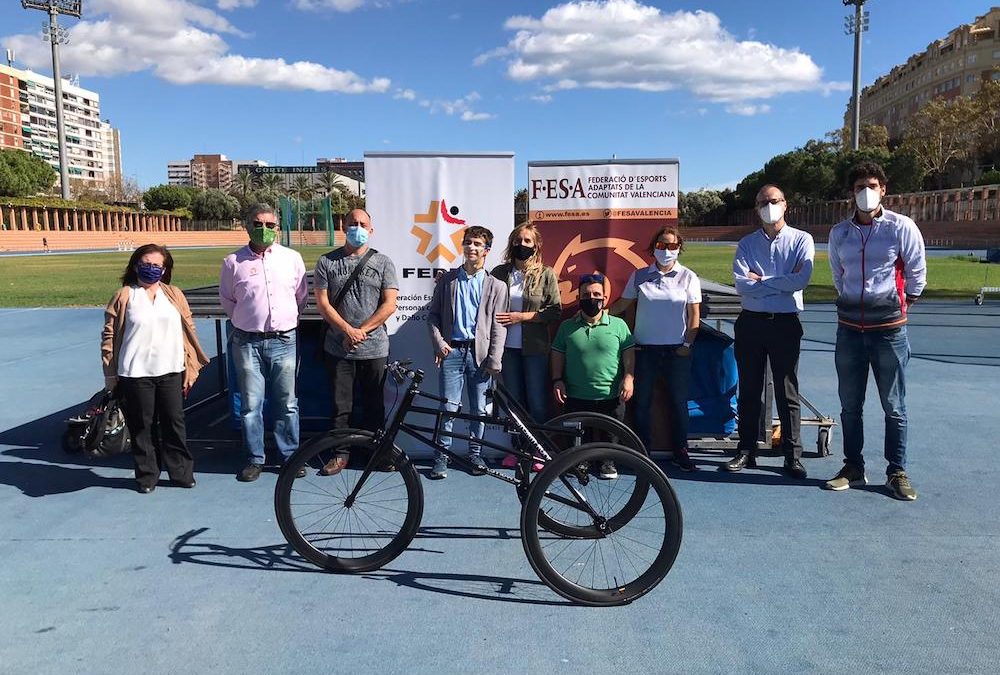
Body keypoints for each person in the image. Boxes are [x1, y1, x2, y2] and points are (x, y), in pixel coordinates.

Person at [825, 162, 926, 500]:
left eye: (871, 185)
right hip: (849, 331)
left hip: (889, 332)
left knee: (894, 406)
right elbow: (839, 275)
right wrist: (854, 302)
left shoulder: (901, 227)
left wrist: (899, 305)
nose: (865, 192)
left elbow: (916, 273)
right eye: (858, 186)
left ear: (883, 189)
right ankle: (853, 467)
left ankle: (896, 471)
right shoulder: (840, 233)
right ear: (851, 193)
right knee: (849, 405)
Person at [102, 244, 209, 493]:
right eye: (145, 263)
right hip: (135, 371)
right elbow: (109, 337)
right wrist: (109, 373)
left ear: (165, 269)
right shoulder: (124, 295)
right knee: (142, 426)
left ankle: (181, 472)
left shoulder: (173, 294)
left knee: (174, 422)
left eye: (156, 265)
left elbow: (188, 330)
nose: (150, 268)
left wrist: (190, 367)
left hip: (171, 370)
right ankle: (147, 475)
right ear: (135, 265)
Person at [725, 184, 815, 479]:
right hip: (751, 321)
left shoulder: (802, 240)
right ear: (756, 208)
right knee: (749, 389)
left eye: (774, 200)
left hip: (785, 322)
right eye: (763, 202)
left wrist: (762, 280)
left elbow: (801, 280)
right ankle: (746, 449)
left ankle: (792, 455)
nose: (769, 205)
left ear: (785, 204)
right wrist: (779, 281)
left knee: (787, 390)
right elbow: (741, 284)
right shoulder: (747, 244)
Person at [219, 204, 308, 482]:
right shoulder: (232, 262)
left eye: (270, 225)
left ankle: (289, 456)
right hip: (247, 342)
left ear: (278, 228)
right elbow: (227, 300)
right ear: (247, 226)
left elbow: (300, 297)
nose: (264, 229)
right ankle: (255, 458)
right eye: (258, 223)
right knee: (250, 405)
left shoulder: (292, 258)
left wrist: (281, 321)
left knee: (287, 402)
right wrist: (249, 321)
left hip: (284, 339)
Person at [313, 208, 399, 475]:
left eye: (363, 224)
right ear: (344, 227)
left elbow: (390, 304)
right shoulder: (327, 262)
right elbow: (323, 304)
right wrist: (346, 330)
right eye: (353, 223)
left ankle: (376, 453)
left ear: (370, 230)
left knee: (374, 404)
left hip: (374, 348)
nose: (357, 227)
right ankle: (340, 453)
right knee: (341, 406)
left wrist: (360, 330)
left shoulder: (383, 262)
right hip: (338, 348)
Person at [611, 225, 701, 471]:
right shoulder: (639, 275)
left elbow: (694, 316)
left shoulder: (689, 277)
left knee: (678, 402)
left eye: (672, 245)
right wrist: (599, 313)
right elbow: (623, 304)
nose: (666, 250)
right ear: (653, 248)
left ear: (679, 249)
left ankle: (680, 450)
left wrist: (687, 344)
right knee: (641, 403)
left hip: (677, 352)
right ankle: (643, 451)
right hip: (644, 350)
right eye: (661, 245)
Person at [427, 225, 507, 480]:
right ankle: (441, 456)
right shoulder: (447, 280)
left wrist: (494, 358)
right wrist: (439, 343)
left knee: (478, 410)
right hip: (451, 353)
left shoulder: (497, 286)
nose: (471, 248)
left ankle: (475, 453)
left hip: (480, 355)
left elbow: (498, 326)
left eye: (477, 244)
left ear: (487, 250)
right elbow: (433, 317)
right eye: (468, 243)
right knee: (448, 406)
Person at [491, 221, 561, 469]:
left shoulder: (546, 274)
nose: (522, 245)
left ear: (536, 245)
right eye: (518, 241)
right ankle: (518, 450)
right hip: (506, 349)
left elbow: (554, 311)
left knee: (537, 402)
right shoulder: (499, 273)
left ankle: (539, 451)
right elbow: (482, 292)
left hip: (535, 350)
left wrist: (522, 317)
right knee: (515, 402)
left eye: (527, 241)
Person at [551, 273, 635, 480]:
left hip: (611, 394)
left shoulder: (618, 325)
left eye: (597, 294)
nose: (592, 298)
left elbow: (629, 353)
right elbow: (557, 355)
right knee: (578, 435)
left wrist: (629, 378)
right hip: (576, 395)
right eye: (586, 295)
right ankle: (580, 463)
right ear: (579, 298)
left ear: (605, 298)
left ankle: (607, 463)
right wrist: (557, 380)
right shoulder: (567, 327)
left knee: (611, 433)